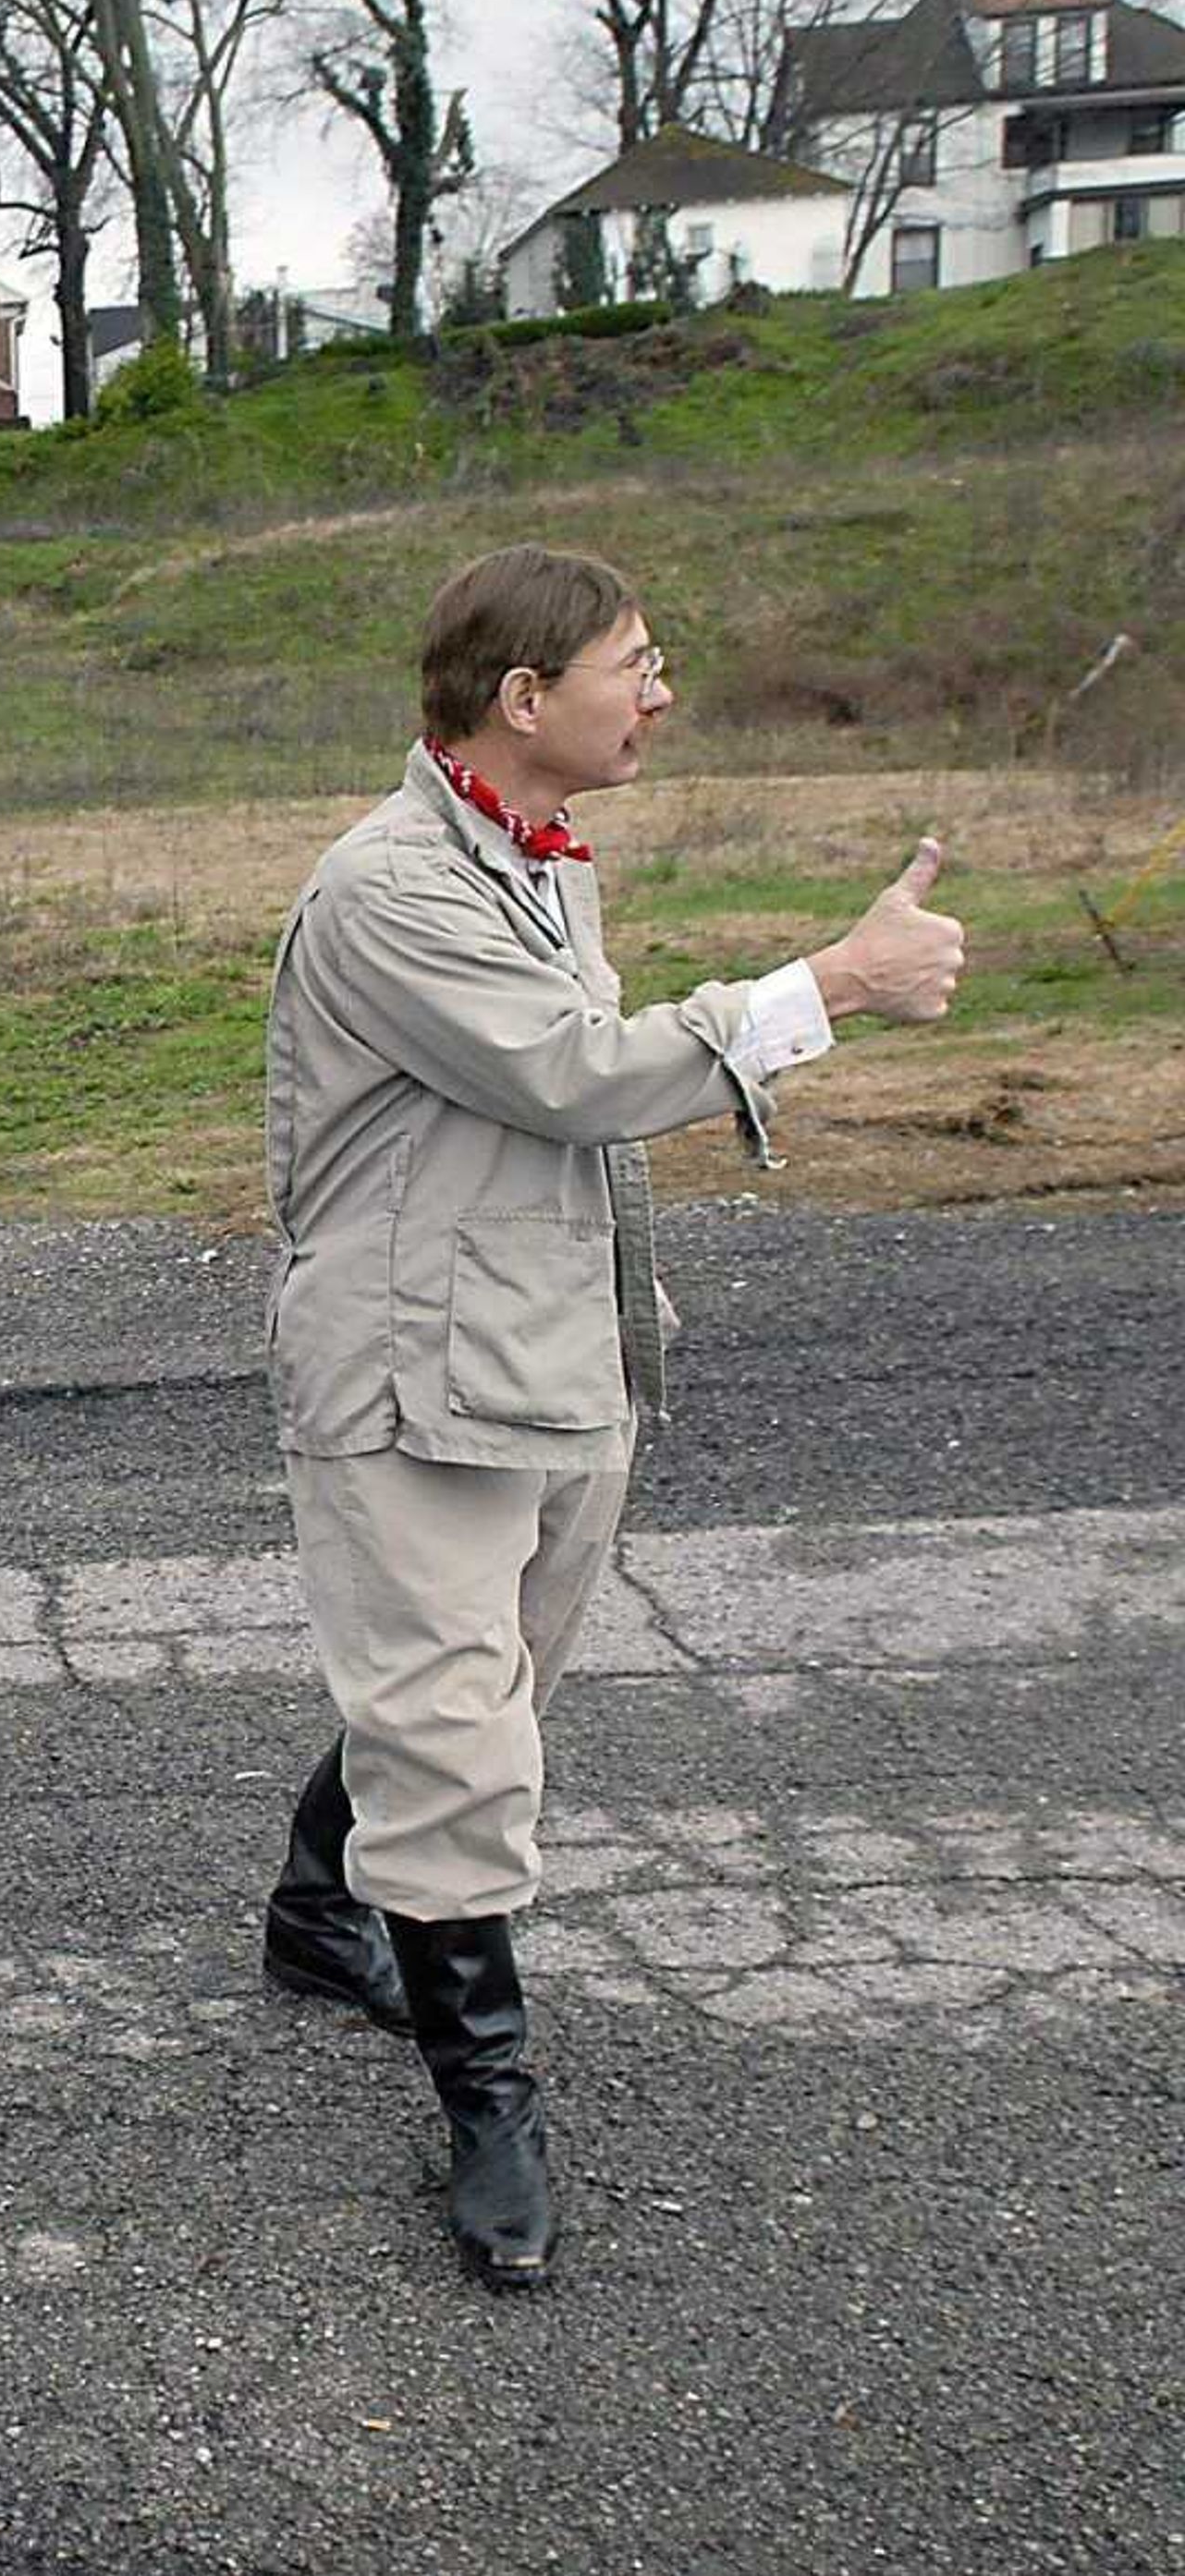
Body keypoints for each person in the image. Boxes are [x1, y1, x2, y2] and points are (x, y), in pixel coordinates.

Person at [257, 544, 965, 2288]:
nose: (660, 694)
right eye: (635, 665)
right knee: (456, 1728)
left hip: (553, 1349)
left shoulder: (545, 861)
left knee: (481, 1691)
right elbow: (573, 1080)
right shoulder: (391, 888)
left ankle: (312, 1902)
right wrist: (833, 986)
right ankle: (490, 2106)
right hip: (410, 1375)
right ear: (524, 698)